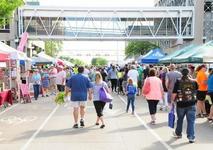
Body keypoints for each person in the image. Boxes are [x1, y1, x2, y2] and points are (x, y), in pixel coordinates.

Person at [172, 68, 197, 143]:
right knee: (191, 121)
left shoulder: (178, 81)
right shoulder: (194, 81)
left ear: (181, 73)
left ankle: (178, 133)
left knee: (180, 119)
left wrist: (172, 101)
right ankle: (191, 137)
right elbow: (196, 91)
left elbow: (174, 93)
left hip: (180, 103)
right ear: (189, 73)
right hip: (191, 103)